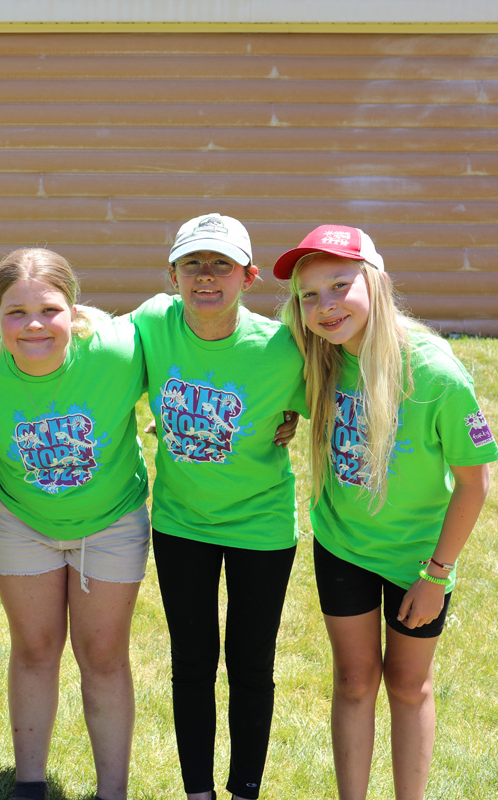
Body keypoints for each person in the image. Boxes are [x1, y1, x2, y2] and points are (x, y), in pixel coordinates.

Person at [275, 224, 498, 800]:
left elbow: (474, 483)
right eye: (308, 295)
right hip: (342, 544)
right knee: (353, 682)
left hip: (419, 559)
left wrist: (436, 575)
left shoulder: (435, 373)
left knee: (407, 683)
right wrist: (285, 416)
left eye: (340, 286)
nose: (325, 306)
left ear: (375, 283)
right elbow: (274, 390)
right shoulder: (318, 359)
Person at [130, 214, 306, 800]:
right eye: (193, 264)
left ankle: (245, 790)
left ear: (248, 277)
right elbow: (89, 346)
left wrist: (293, 414)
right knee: (192, 662)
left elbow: (340, 388)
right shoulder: (153, 322)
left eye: (221, 264)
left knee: (252, 665)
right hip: (181, 523)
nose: (206, 275)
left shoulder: (284, 348)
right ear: (172, 276)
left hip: (261, 524)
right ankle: (198, 792)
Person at [0, 248, 148, 800]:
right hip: (21, 520)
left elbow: (182, 339)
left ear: (75, 310)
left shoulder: (117, 351)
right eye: (15, 313)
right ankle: (29, 785)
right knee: (35, 648)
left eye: (49, 310)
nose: (34, 325)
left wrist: (277, 414)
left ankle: (112, 791)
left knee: (104, 656)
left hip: (112, 521)